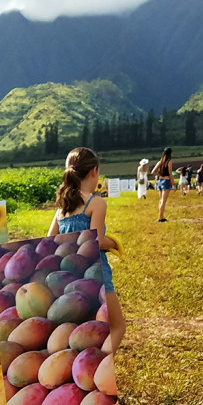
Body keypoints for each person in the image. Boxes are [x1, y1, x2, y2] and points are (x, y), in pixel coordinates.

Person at [49, 147, 126, 352]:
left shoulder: (61, 209)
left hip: (70, 278)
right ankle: (101, 362)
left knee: (82, 324)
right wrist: (114, 243)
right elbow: (98, 241)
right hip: (95, 273)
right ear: (94, 172)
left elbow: (51, 240)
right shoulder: (96, 203)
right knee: (117, 326)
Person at [151, 147, 174, 222]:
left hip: (160, 181)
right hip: (166, 181)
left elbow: (153, 172)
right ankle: (161, 217)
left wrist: (159, 174)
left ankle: (161, 216)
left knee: (160, 200)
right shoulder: (169, 162)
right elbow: (170, 174)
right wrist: (172, 183)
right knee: (163, 201)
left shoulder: (160, 162)